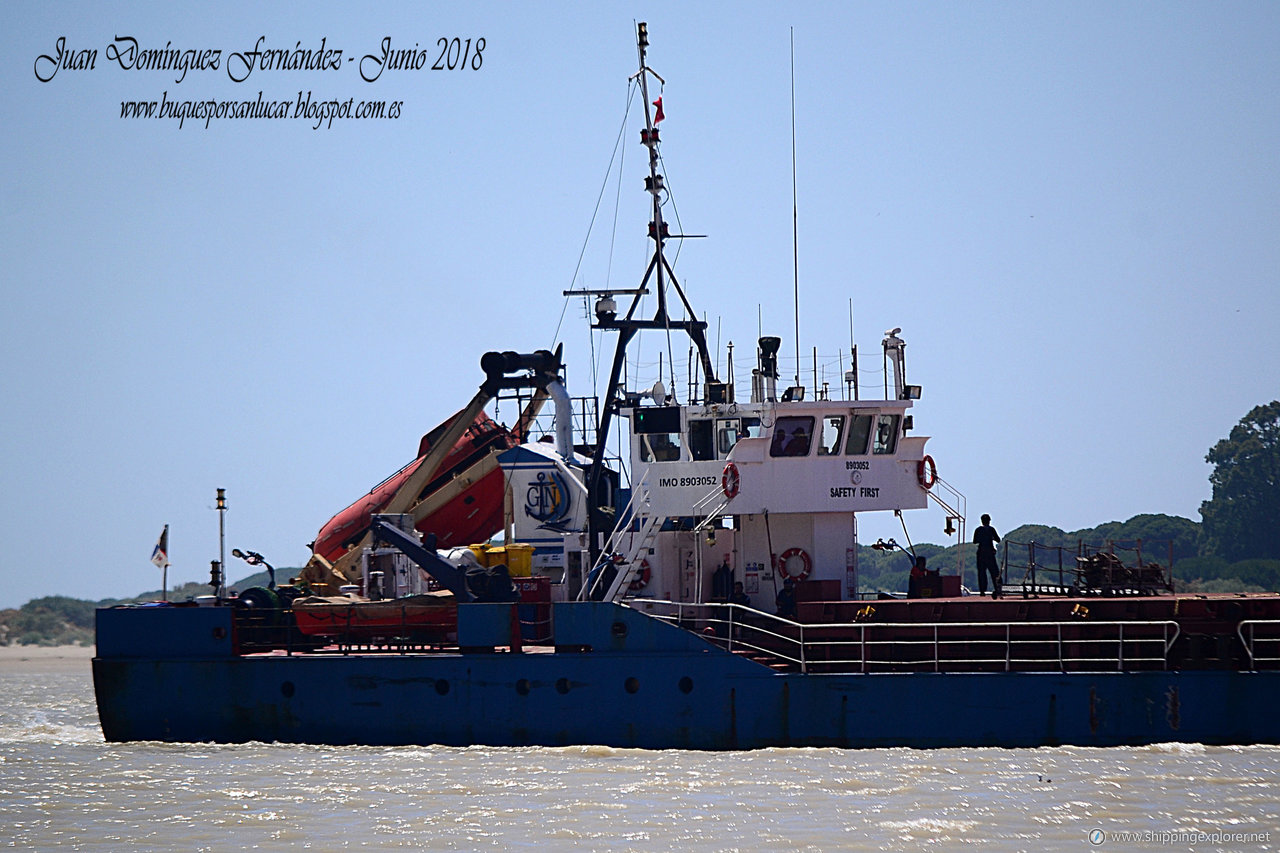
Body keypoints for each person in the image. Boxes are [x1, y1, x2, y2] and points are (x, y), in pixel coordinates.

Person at [973, 513, 1002, 598]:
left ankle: (982, 591)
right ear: (989, 521)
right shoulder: (991, 529)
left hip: (981, 552)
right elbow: (998, 540)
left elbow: (975, 541)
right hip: (990, 553)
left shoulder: (978, 530)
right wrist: (991, 537)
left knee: (981, 573)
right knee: (995, 572)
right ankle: (998, 588)